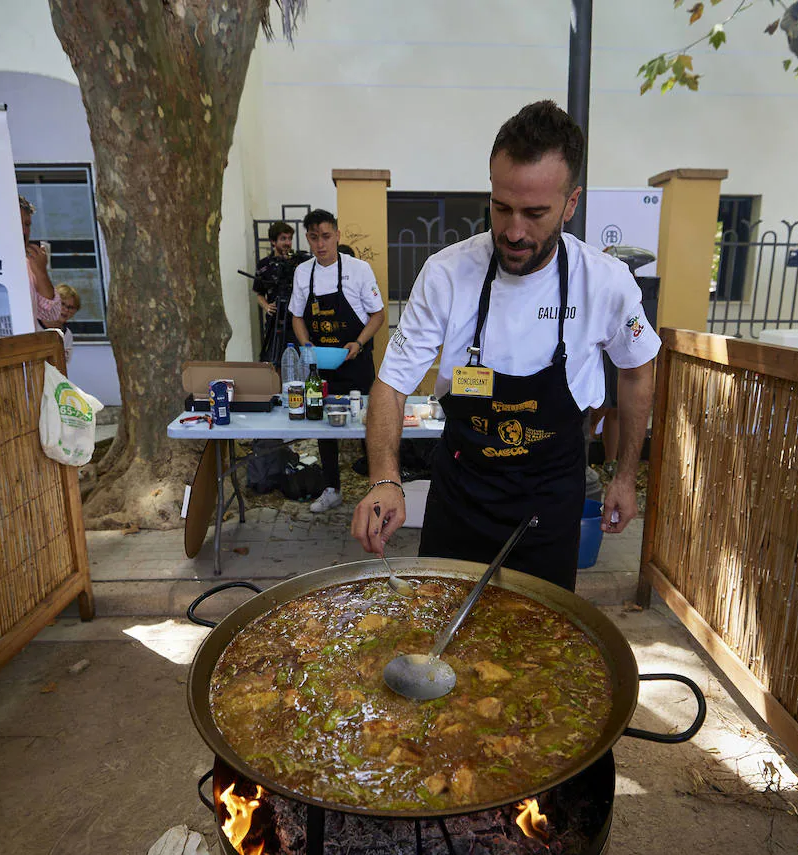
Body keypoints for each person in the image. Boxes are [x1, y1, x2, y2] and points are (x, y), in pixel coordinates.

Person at [351, 101, 661, 591]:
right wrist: (385, 478)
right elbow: (390, 384)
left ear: (571, 203)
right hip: (462, 492)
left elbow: (638, 369)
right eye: (501, 207)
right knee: (441, 637)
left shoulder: (605, 283)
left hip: (551, 496)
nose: (514, 231)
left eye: (535, 213)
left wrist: (625, 475)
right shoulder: (446, 274)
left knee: (543, 645)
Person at [288, 209, 387, 512]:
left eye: (326, 236)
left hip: (356, 361)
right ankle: (332, 488)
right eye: (314, 238)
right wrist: (306, 346)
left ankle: (378, 491)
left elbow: (378, 315)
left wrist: (358, 342)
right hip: (322, 364)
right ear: (308, 239)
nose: (321, 244)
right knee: (323, 427)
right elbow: (297, 317)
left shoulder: (359, 269)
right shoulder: (303, 272)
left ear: (337, 236)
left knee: (368, 426)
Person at [253, 221, 307, 365]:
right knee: (273, 359)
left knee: (299, 358)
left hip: (297, 317)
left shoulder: (300, 262)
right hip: (275, 320)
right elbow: (258, 292)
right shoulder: (264, 265)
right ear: (273, 241)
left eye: (289, 238)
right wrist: (266, 306)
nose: (287, 243)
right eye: (283, 239)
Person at [19, 196, 64, 330]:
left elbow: (51, 314)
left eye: (27, 224)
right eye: (17, 223)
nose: (24, 231)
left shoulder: (30, 263)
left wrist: (40, 270)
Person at [54, 283, 81, 363]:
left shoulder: (68, 335)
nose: (66, 310)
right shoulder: (34, 325)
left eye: (70, 307)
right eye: (62, 304)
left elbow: (64, 364)